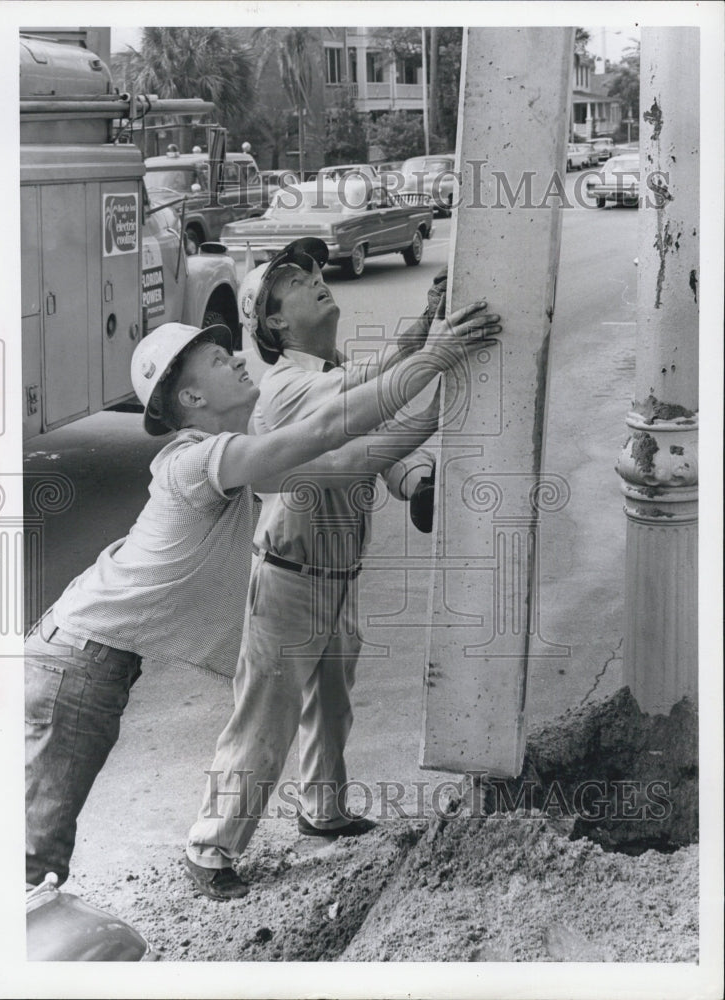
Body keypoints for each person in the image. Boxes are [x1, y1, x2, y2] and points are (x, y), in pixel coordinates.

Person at [25, 305, 499, 889]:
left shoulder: (233, 454)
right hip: (75, 659)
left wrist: (438, 411)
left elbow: (344, 461)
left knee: (37, 852)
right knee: (33, 858)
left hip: (91, 658)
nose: (240, 360)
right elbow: (326, 428)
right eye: (221, 362)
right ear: (193, 399)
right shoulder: (197, 461)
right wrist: (436, 357)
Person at [185, 239, 501, 900]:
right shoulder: (287, 387)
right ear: (273, 322)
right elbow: (369, 401)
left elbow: (371, 385)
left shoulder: (328, 369)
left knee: (331, 705)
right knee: (263, 718)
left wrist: (427, 323)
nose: (316, 281)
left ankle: (322, 811)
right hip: (291, 577)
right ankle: (210, 848)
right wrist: (440, 370)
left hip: (335, 575)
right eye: (297, 281)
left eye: (313, 272)